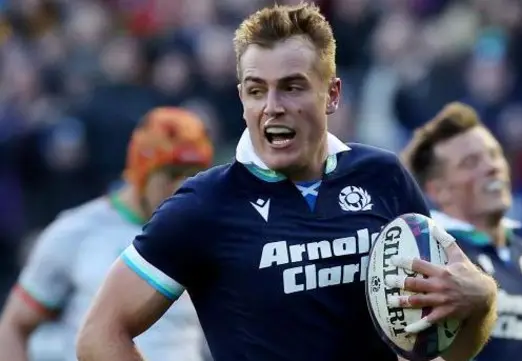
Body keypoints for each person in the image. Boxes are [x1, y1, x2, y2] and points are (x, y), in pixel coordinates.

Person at [75, 4, 498, 361]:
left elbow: (440, 348)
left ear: (331, 94)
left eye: (292, 87)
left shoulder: (383, 176)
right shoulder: (204, 204)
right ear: (242, 97)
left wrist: (479, 302)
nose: (272, 107)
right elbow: (100, 333)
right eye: (257, 91)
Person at [0, 107, 214, 361]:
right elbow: (13, 326)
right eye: (171, 173)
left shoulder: (209, 234)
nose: (181, 186)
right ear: (141, 171)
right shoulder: (76, 231)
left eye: (194, 173)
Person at [401, 102, 522, 361]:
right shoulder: (429, 255)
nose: (492, 167)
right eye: (471, 163)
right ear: (439, 190)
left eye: (494, 154)